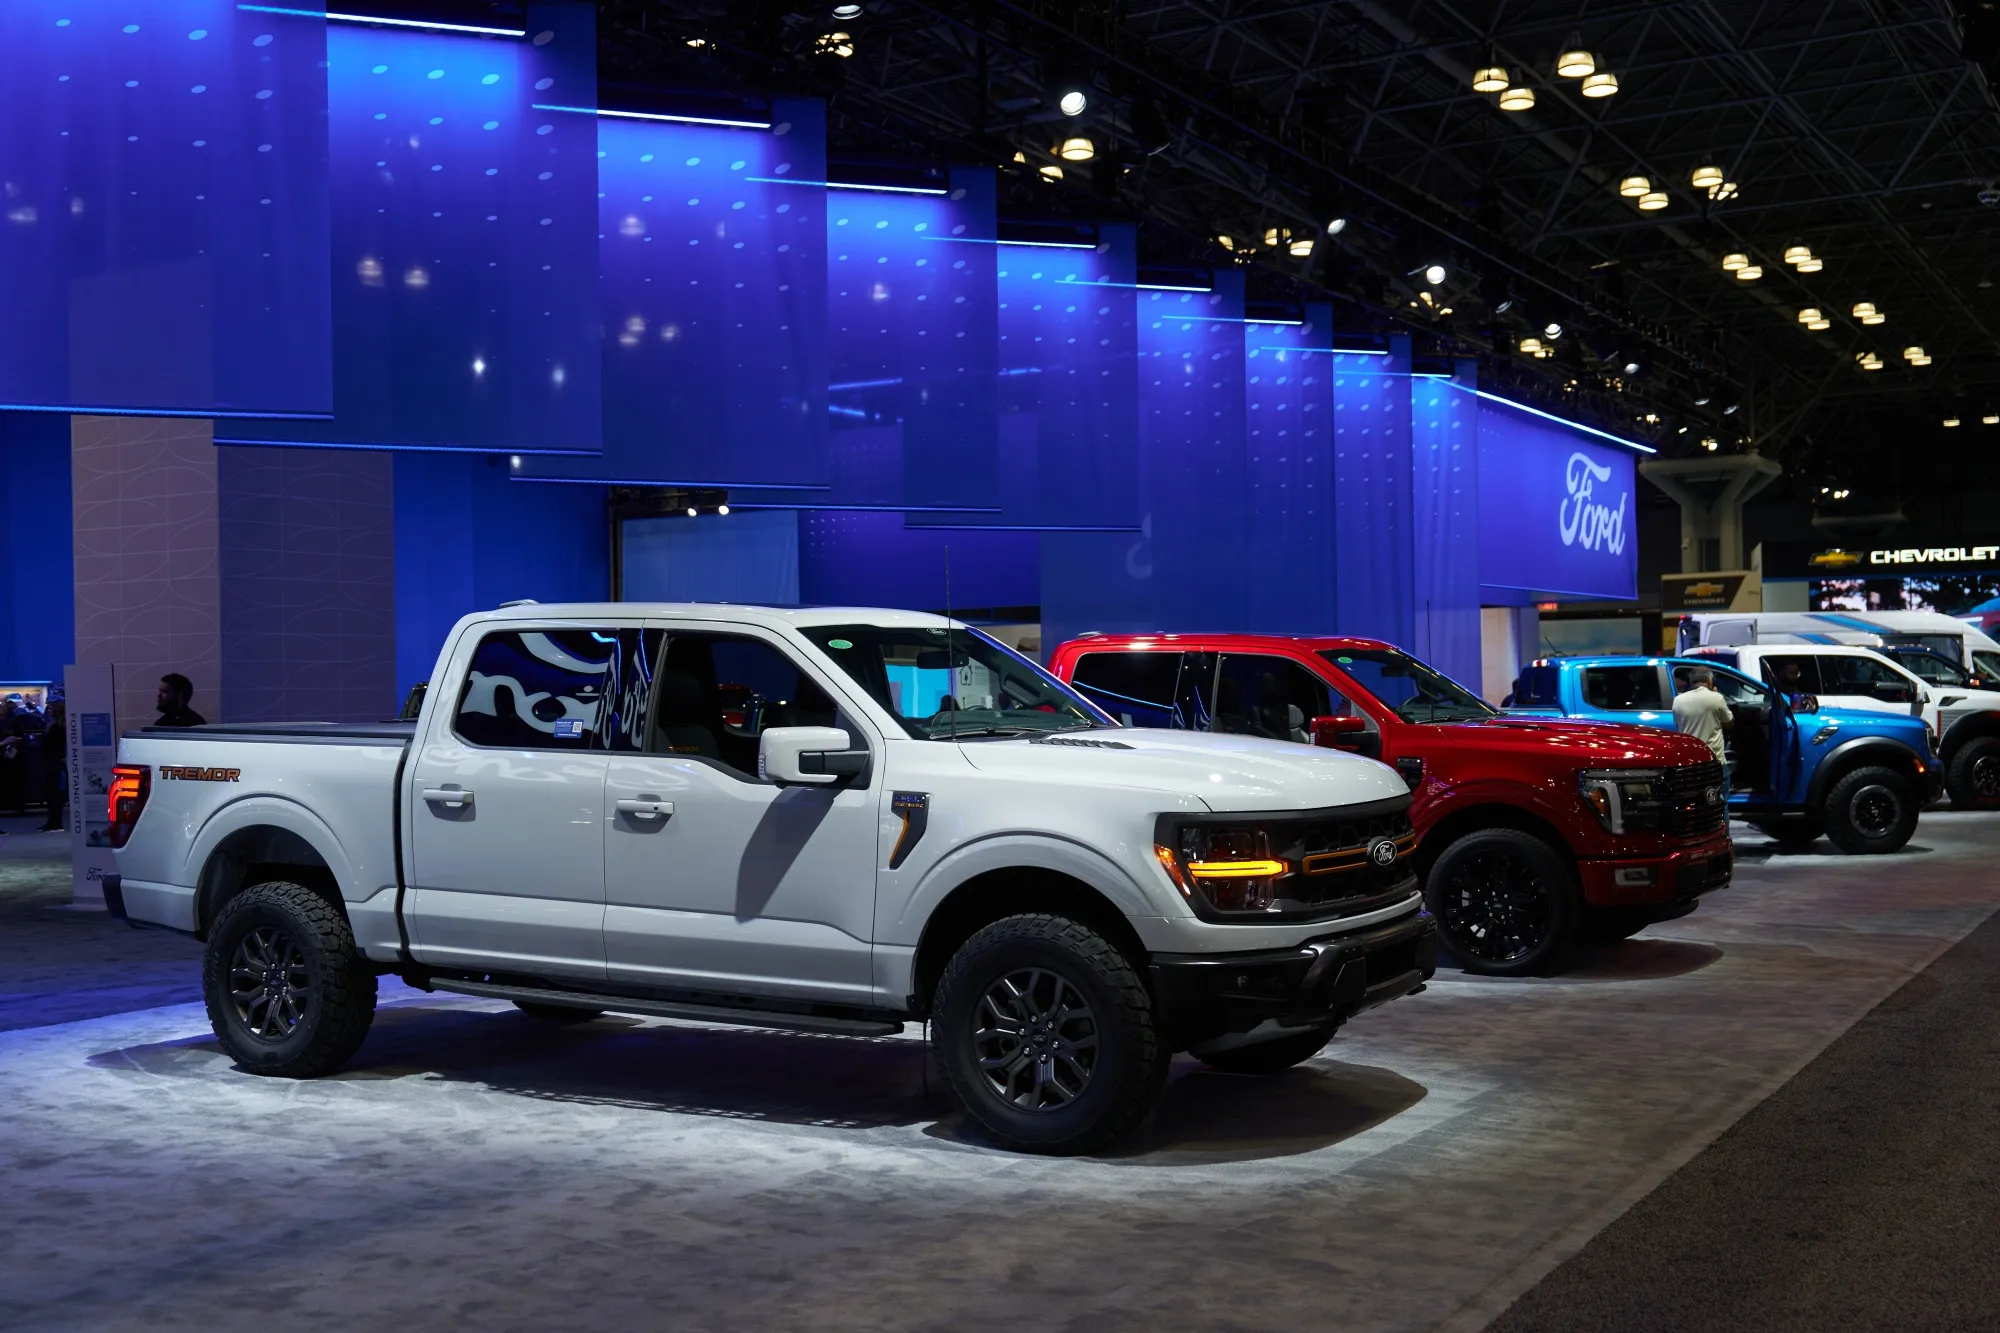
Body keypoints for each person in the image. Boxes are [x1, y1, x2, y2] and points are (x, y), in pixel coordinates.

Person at [1673, 666, 1734, 796]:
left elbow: (1679, 727)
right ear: (1710, 681)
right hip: (1713, 762)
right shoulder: (1716, 698)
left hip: (1688, 764)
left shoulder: (1678, 700)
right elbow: (1730, 724)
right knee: (1719, 803)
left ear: (1691, 682)